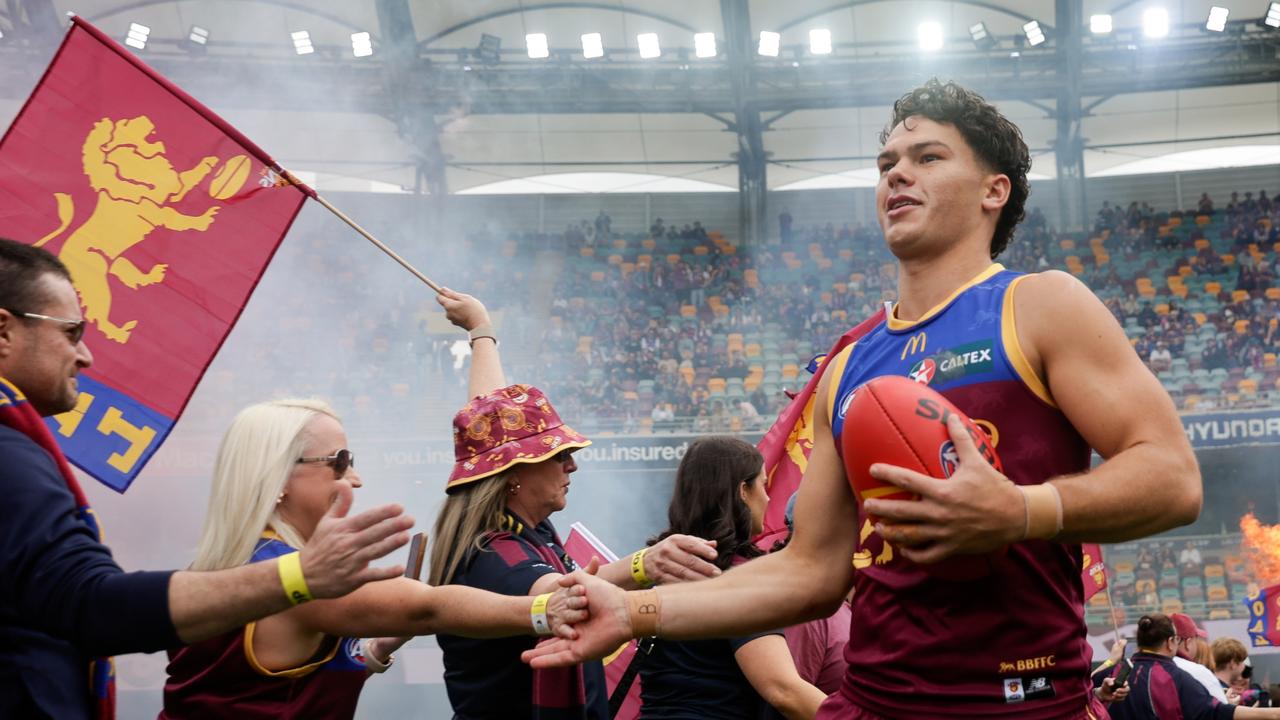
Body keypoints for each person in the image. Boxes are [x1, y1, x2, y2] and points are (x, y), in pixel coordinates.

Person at [523, 79, 1203, 719]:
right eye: (887, 163)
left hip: (1023, 702)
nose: (896, 174)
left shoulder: (1039, 305)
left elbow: (1172, 478)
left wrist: (1023, 509)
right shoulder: (849, 366)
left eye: (928, 157)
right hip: (873, 704)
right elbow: (810, 571)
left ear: (995, 190)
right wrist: (632, 610)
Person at [0, 238, 413, 719]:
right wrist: (301, 577)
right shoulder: (9, 455)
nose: (87, 356)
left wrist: (372, 651)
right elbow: (89, 603)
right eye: (72, 332)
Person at [160, 398, 588, 718]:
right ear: (277, 476)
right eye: (340, 462)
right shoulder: (290, 578)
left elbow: (265, 690)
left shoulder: (222, 566)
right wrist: (543, 610)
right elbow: (428, 609)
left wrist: (378, 648)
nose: (357, 479)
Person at [428, 289, 720, 719]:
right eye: (558, 456)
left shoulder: (523, 525)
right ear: (514, 474)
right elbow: (570, 597)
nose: (571, 467)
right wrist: (654, 572)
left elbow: (487, 415)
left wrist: (481, 332)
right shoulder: (496, 556)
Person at [638, 437, 826, 720]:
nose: (768, 497)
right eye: (762, 485)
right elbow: (783, 690)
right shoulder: (739, 578)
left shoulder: (662, 569)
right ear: (742, 491)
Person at [1105, 614, 1280, 719]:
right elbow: (1215, 712)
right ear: (1171, 642)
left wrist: (1110, 662)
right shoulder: (1178, 676)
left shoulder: (1110, 673)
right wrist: (1273, 714)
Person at [1172, 613, 1229, 702]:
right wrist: (1229, 704)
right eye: (1196, 639)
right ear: (1188, 642)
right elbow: (1220, 713)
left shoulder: (1150, 666)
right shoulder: (1199, 672)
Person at [1214, 638, 1251, 704]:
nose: (1244, 667)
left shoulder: (1208, 686)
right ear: (1233, 663)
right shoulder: (1222, 694)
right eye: (1242, 662)